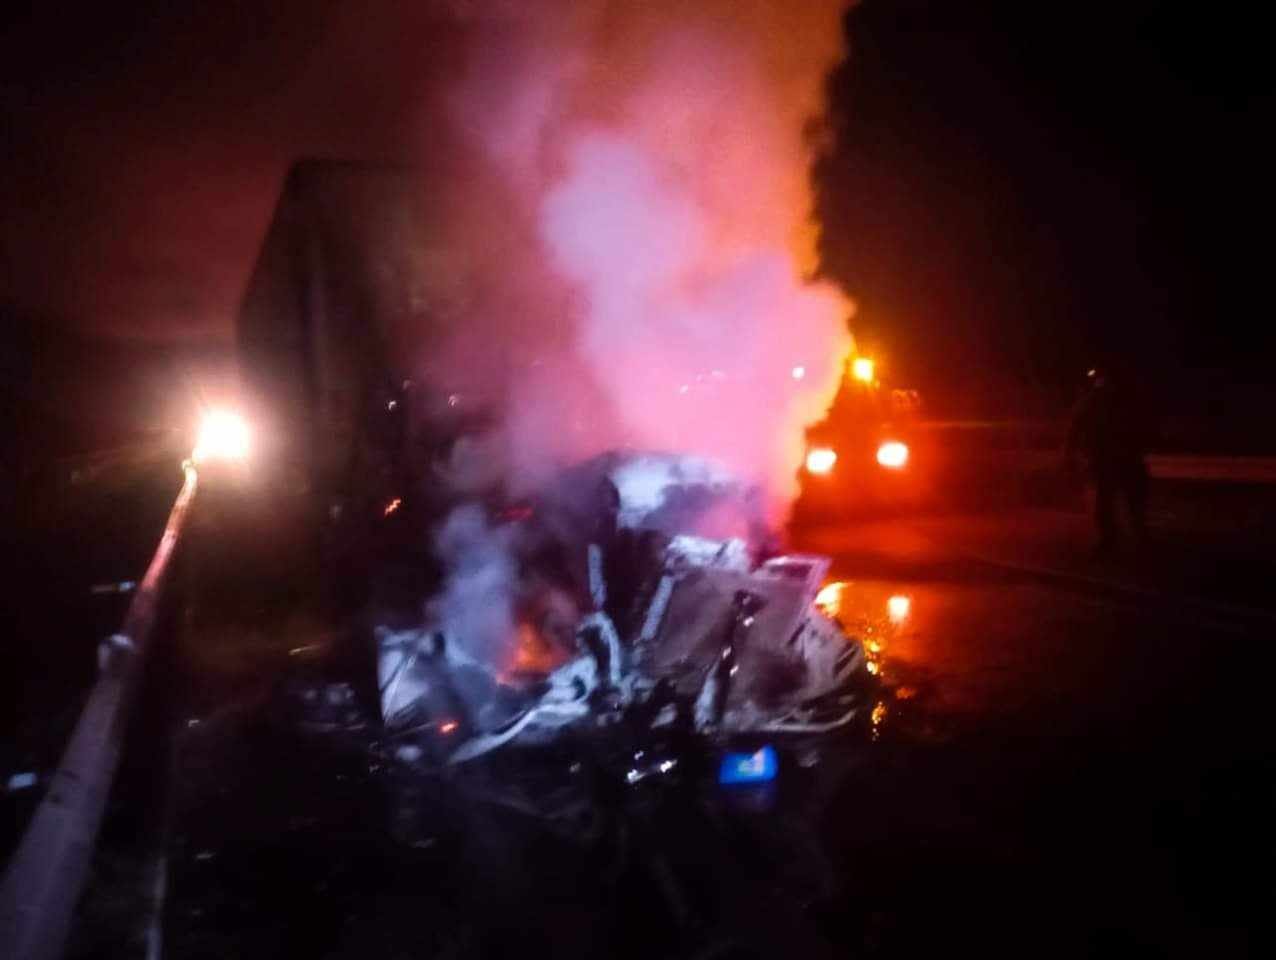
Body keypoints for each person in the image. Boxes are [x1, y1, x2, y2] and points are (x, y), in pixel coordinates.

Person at [1065, 367, 1150, 555]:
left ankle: (1114, 541)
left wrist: (1070, 455)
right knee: (1128, 502)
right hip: (1122, 459)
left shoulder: (1091, 403)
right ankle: (1131, 540)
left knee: (1110, 503)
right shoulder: (1123, 402)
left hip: (1110, 460)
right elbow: (1144, 427)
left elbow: (1074, 430)